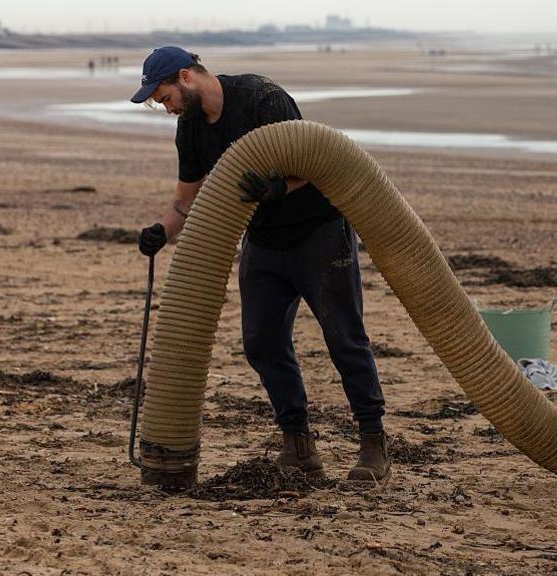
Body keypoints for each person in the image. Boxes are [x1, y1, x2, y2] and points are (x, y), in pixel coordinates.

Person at [132, 46, 390, 484]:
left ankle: (373, 445)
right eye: (159, 102)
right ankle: (299, 447)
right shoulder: (191, 129)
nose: (165, 107)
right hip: (266, 241)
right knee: (261, 341)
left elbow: (315, 156)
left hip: (318, 231)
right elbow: (186, 200)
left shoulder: (261, 98)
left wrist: (278, 187)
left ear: (185, 77)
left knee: (343, 337)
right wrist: (162, 231)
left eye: (164, 96)